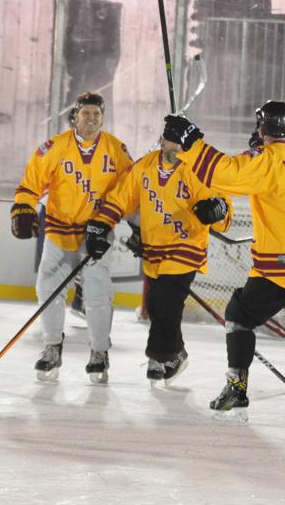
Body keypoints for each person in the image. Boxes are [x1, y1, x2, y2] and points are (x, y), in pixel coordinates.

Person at [164, 102, 285, 427]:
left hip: (283, 263)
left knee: (238, 316)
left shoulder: (267, 160)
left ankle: (236, 389)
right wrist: (257, 151)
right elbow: (273, 179)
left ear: (262, 127)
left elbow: (226, 174)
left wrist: (191, 141)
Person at [86, 121, 232, 387]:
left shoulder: (196, 168)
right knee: (158, 307)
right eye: (173, 142)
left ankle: (158, 356)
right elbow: (122, 197)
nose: (178, 148)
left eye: (183, 143)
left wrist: (217, 210)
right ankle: (177, 352)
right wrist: (102, 223)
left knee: (167, 302)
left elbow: (222, 203)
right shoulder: (144, 166)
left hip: (186, 247)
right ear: (163, 140)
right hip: (154, 250)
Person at [11, 92, 133, 383]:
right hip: (59, 230)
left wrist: (130, 224)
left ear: (102, 118)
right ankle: (52, 347)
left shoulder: (116, 149)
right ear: (75, 116)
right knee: (48, 288)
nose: (91, 118)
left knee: (97, 293)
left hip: (97, 232)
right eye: (86, 113)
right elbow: (31, 182)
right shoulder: (55, 147)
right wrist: (23, 208)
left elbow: (130, 189)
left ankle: (99, 352)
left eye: (96, 114)